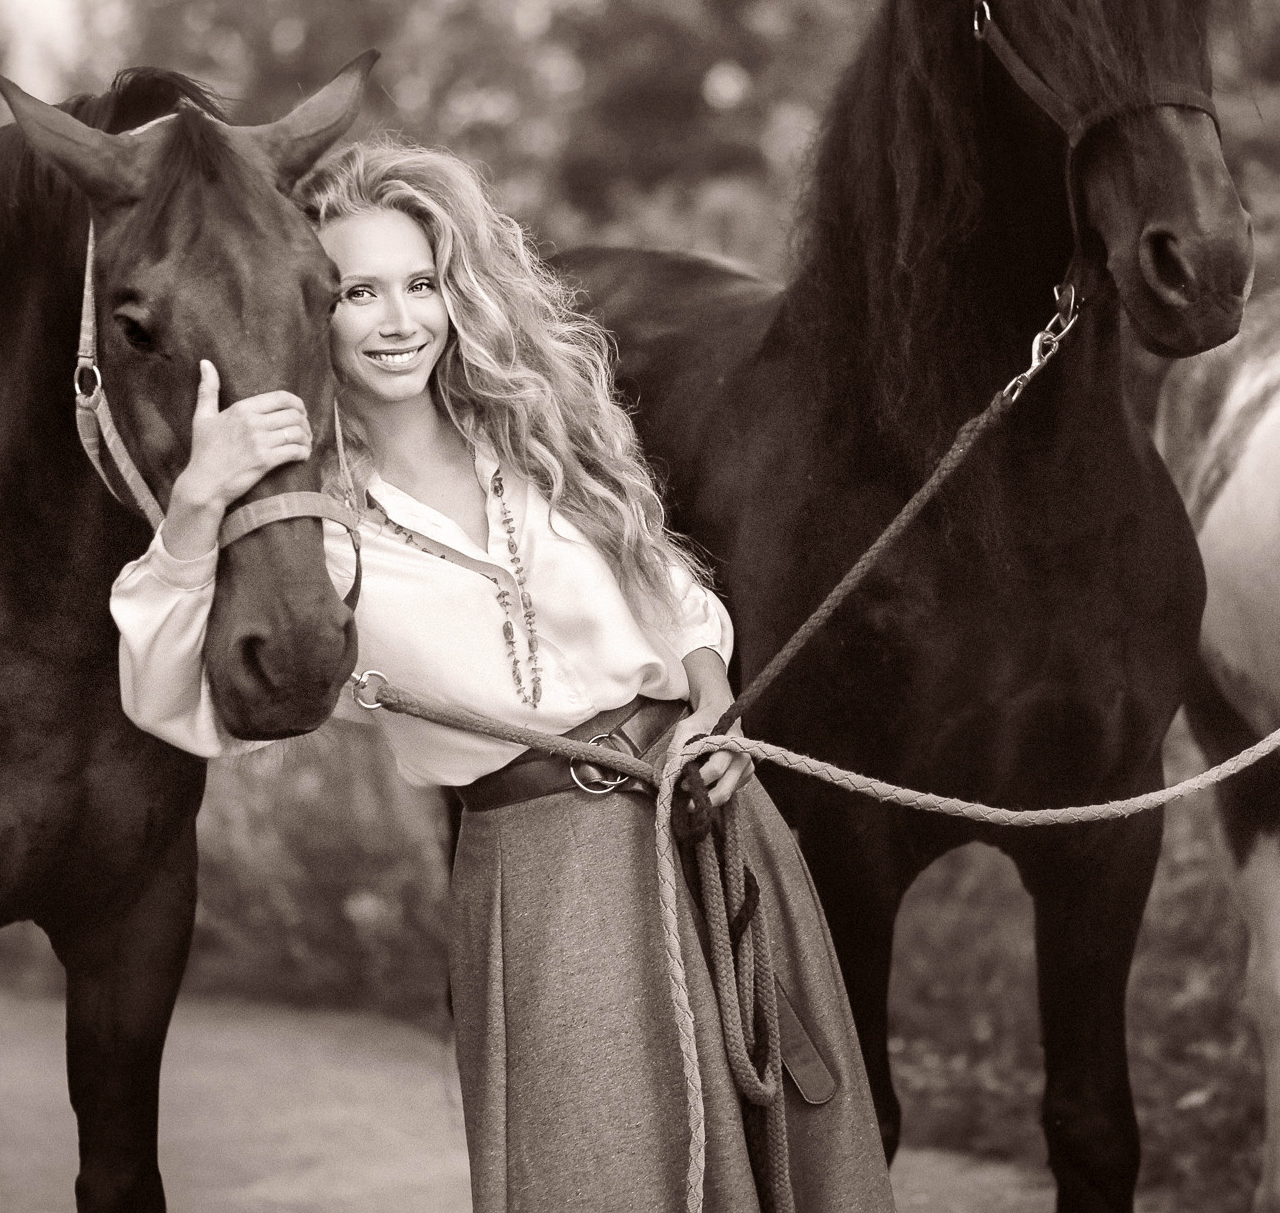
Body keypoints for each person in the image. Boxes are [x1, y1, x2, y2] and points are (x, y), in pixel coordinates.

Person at [109, 138, 895, 1213]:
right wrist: (200, 502)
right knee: (598, 1177)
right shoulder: (323, 530)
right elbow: (173, 702)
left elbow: (670, 590)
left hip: (708, 822)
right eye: (358, 292)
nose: (398, 320)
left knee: (789, 1169)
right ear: (312, 313)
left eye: (420, 284)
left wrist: (716, 708)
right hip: (543, 874)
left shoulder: (536, 437)